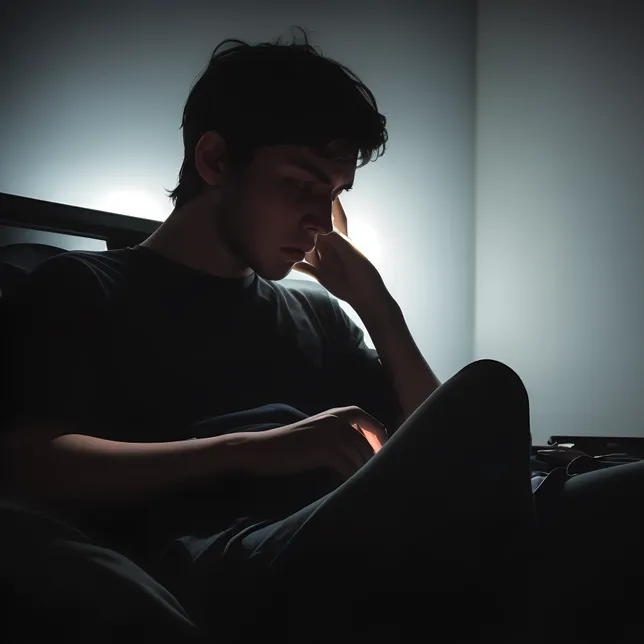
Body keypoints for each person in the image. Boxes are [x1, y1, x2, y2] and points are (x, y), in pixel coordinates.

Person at [0, 32, 537, 642]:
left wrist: (377, 304)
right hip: (223, 557)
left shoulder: (319, 318)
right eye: (300, 185)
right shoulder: (82, 286)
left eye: (332, 195)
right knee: (492, 394)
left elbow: (444, 440)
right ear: (216, 161)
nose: (318, 219)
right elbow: (29, 464)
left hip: (336, 530)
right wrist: (257, 446)